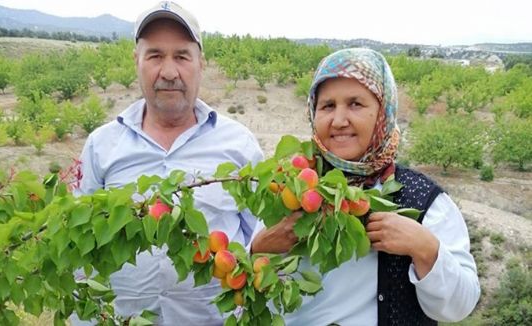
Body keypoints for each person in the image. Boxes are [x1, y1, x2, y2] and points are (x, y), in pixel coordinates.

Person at [250, 48, 480, 325]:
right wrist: (257, 249)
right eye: (328, 106)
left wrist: (425, 248)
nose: (338, 120)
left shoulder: (422, 201)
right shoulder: (287, 188)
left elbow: (459, 307)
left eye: (356, 104)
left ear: (382, 112)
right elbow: (247, 289)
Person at [72, 1, 263, 325]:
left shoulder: (239, 146)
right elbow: (79, 249)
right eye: (155, 55)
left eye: (182, 56)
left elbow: (261, 237)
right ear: (137, 61)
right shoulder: (101, 146)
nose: (169, 72)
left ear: (201, 63)